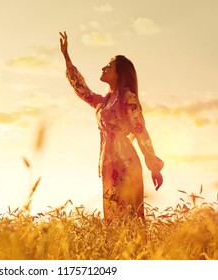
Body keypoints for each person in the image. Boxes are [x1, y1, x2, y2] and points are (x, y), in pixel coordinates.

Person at [59, 31, 164, 221]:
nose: (103, 68)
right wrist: (66, 57)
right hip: (108, 163)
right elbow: (82, 90)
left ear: (119, 73)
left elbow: (141, 132)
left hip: (126, 163)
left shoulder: (128, 99)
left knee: (128, 218)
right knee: (113, 218)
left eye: (108, 66)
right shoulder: (104, 101)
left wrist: (153, 166)